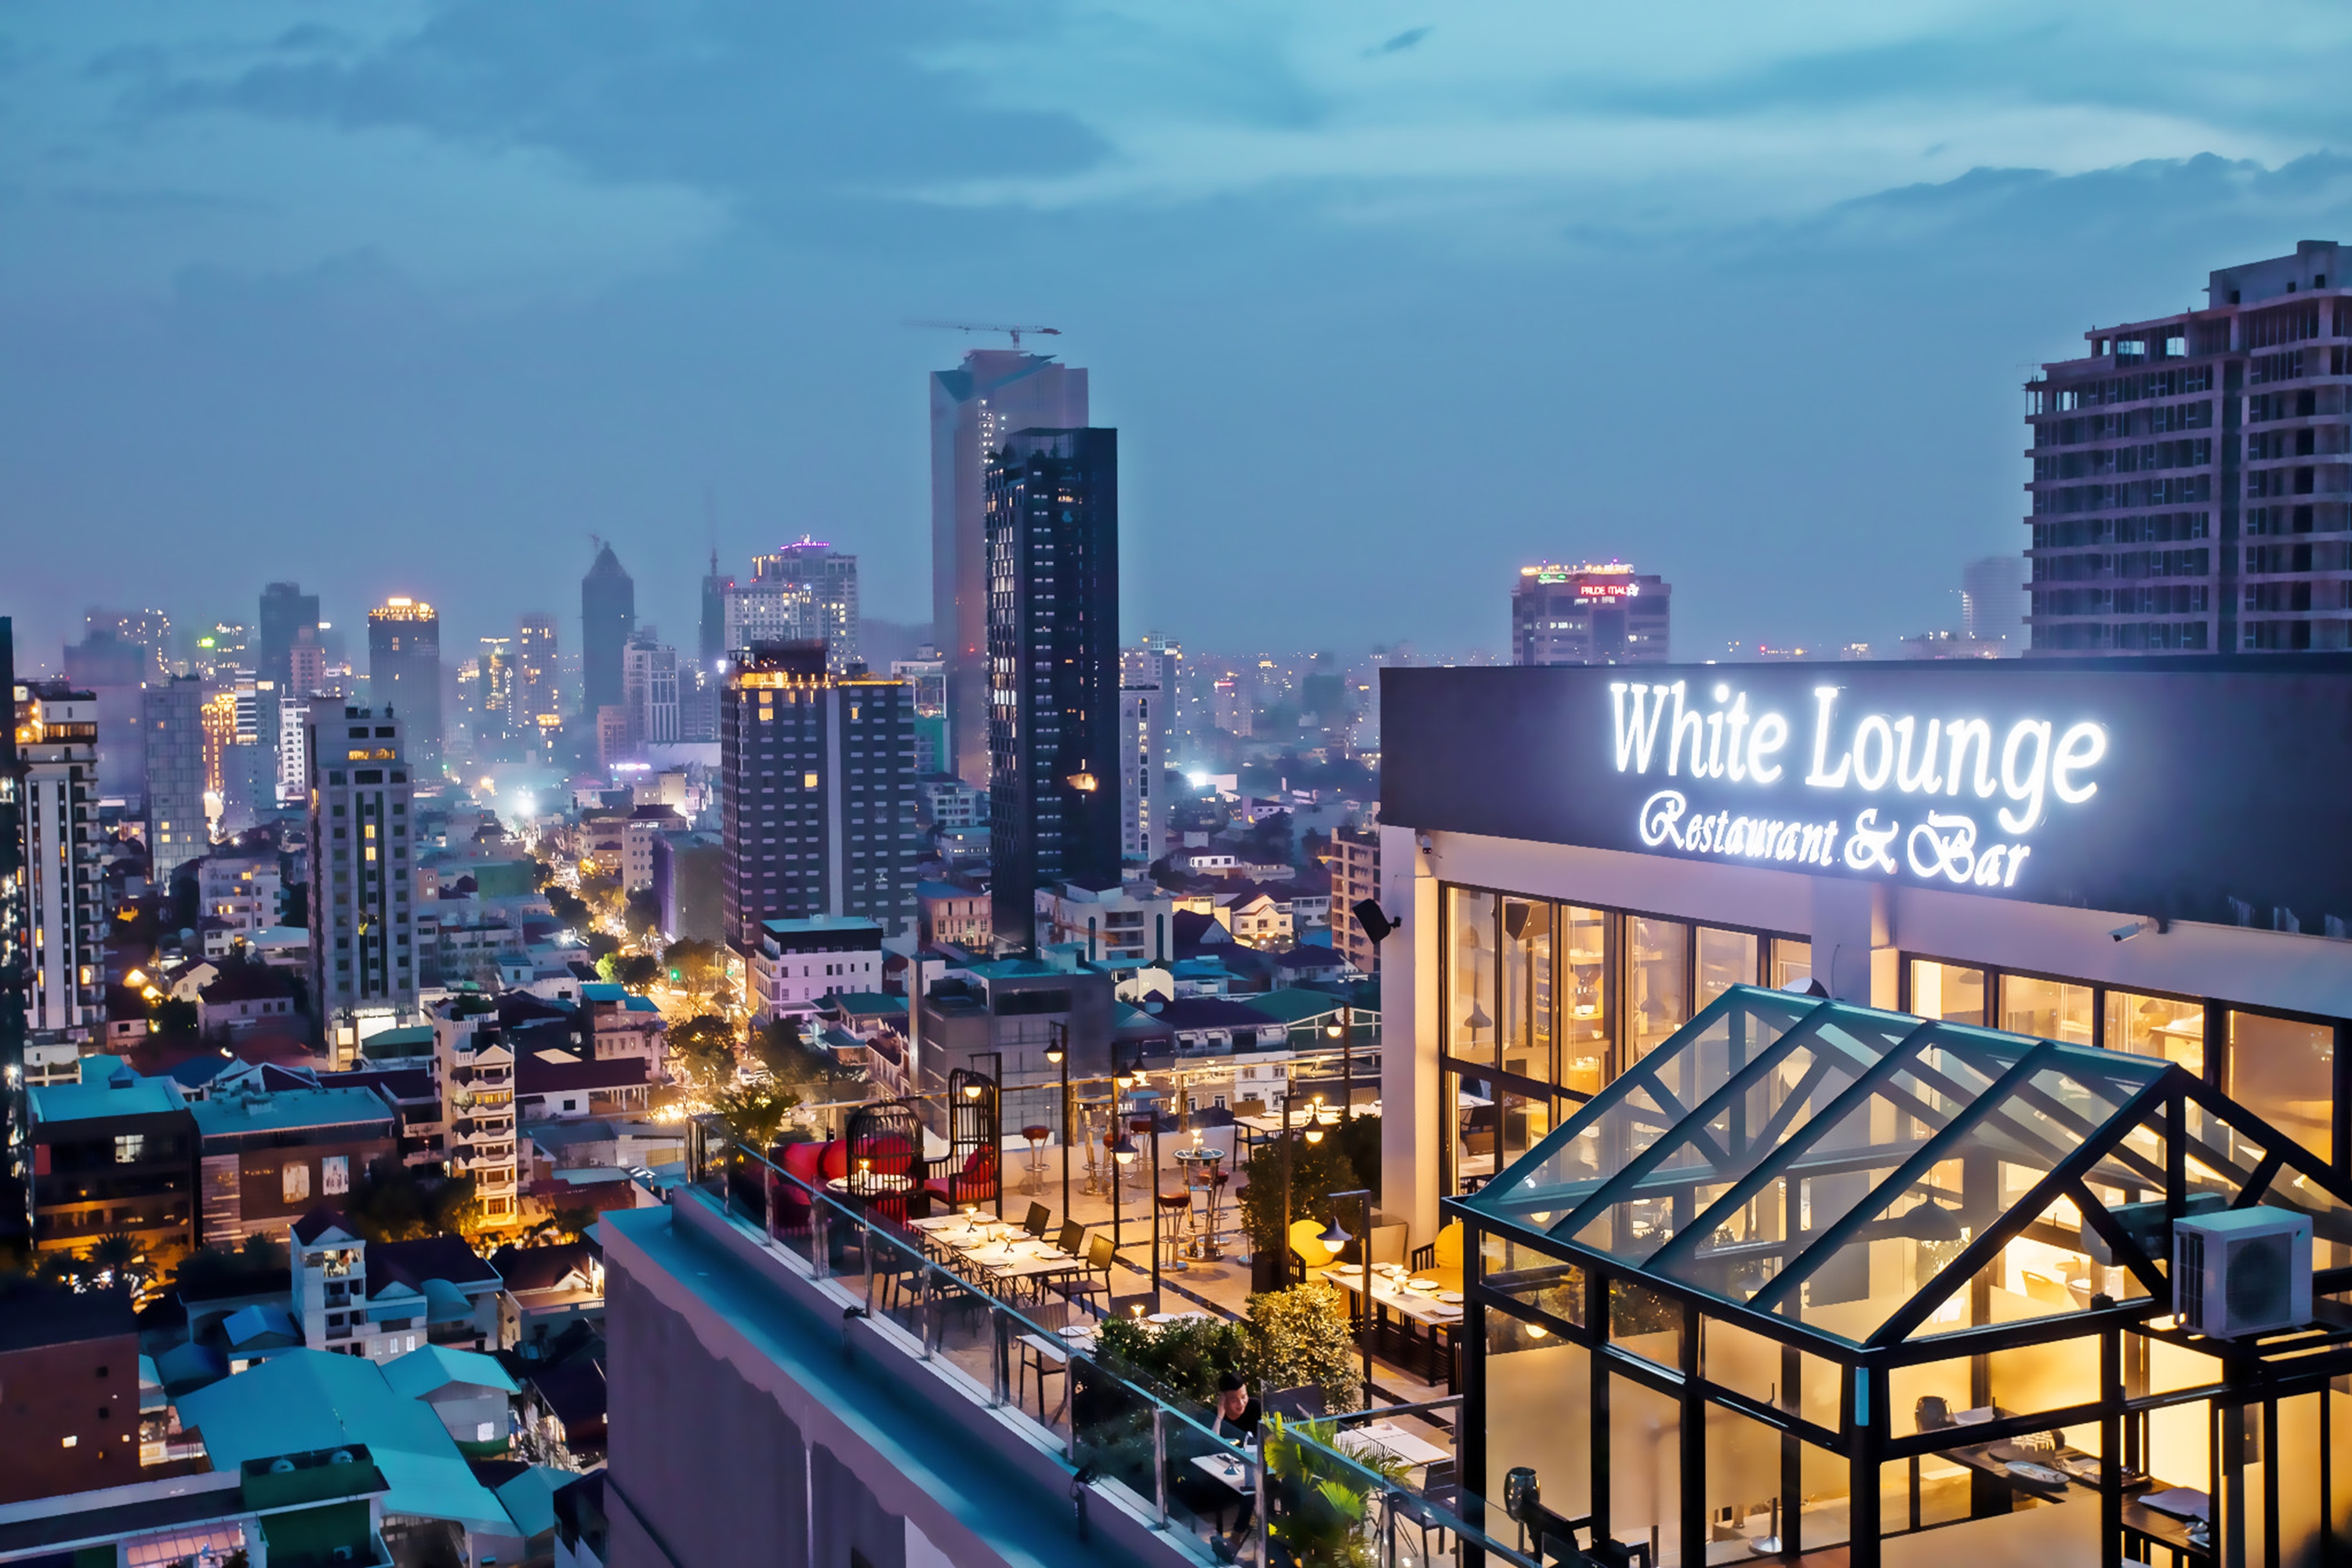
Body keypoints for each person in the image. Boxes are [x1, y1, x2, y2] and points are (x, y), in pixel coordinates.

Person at [1211, 1370, 1261, 1442]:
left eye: (1243, 1397)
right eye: (1234, 1400)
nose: (1241, 1404)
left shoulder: (1255, 1407)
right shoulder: (1215, 1416)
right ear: (1223, 1399)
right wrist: (1219, 1417)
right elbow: (1213, 1444)